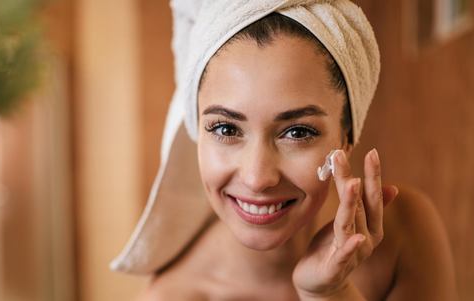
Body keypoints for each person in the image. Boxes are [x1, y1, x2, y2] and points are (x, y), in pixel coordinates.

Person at [112, 1, 458, 300]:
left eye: (297, 131)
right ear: (196, 135)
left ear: (346, 136)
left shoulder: (404, 235)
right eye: (225, 128)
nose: (257, 177)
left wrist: (329, 294)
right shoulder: (175, 297)